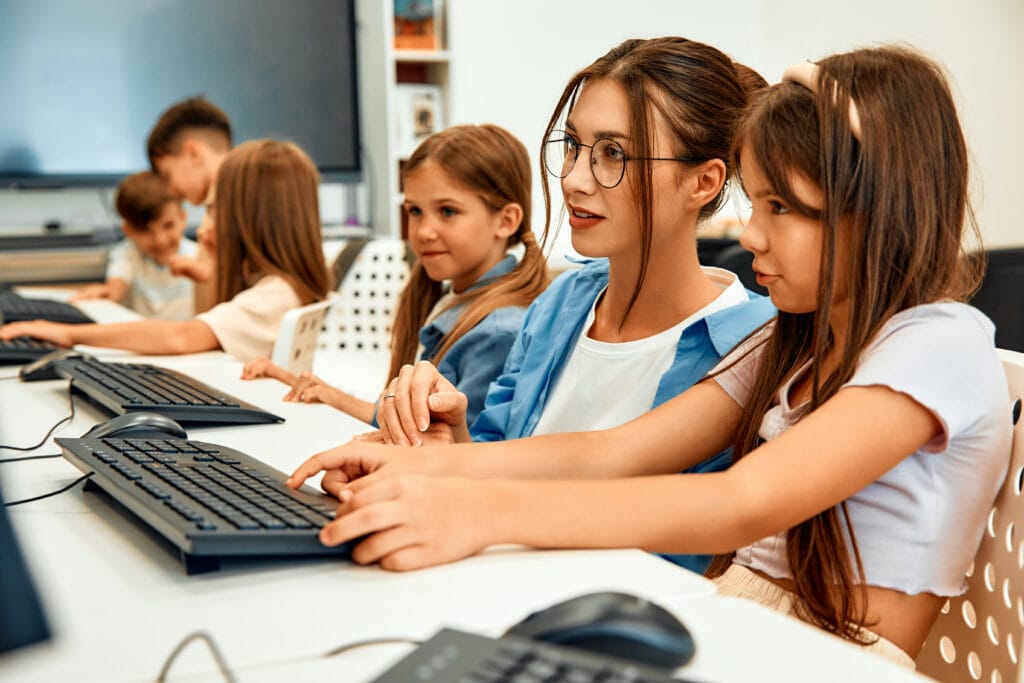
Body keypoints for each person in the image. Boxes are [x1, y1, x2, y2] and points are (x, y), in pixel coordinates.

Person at [288, 46, 1011, 668]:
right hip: (733, 619)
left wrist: (479, 511)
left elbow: (739, 502)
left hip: (831, 656)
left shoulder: (939, 342)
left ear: (878, 204)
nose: (751, 234)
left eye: (780, 208)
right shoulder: (795, 338)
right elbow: (614, 451)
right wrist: (421, 464)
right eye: (753, 204)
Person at [374, 37, 775, 458]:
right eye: (572, 146)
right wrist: (450, 434)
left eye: (613, 153)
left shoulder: (749, 344)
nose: (573, 180)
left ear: (703, 182)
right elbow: (494, 460)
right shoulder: (562, 303)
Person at [241, 124, 549, 430]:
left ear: (506, 220)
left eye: (448, 211)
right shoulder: (456, 299)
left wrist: (333, 398)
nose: (424, 232)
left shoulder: (497, 333)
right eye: (414, 211)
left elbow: (456, 451)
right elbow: (411, 424)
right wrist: (319, 392)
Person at [0, 140, 331, 361]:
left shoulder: (274, 296)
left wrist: (67, 333)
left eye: (215, 210)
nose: (205, 226)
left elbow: (182, 337)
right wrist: (214, 270)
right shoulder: (277, 284)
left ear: (249, 220)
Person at [71, 171, 198, 320]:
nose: (160, 240)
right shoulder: (127, 255)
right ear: (128, 231)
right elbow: (117, 283)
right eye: (145, 230)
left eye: (168, 225)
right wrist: (109, 291)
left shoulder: (200, 256)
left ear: (182, 217)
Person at [146, 96, 233, 313]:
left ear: (193, 154)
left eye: (167, 175)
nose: (170, 191)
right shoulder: (216, 209)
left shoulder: (237, 208)